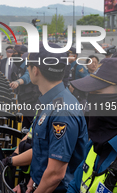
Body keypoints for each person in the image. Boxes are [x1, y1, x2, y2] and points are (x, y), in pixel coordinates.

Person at [22, 43, 88, 193]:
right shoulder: (53, 101)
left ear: (35, 70)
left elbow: (55, 175)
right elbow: (44, 151)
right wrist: (32, 181)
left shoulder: (61, 111)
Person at [68, 58, 117, 193]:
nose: (90, 101)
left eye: (97, 94)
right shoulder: (96, 142)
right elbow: (75, 184)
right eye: (90, 94)